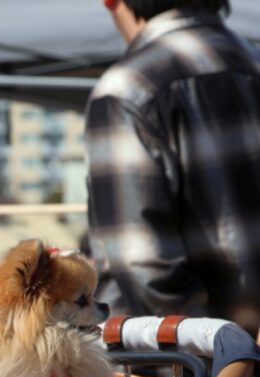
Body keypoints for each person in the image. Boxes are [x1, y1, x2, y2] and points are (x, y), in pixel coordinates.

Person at [86, 0, 260, 335]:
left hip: (192, 373)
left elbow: (144, 265)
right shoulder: (252, 63)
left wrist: (223, 367)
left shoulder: (127, 88)